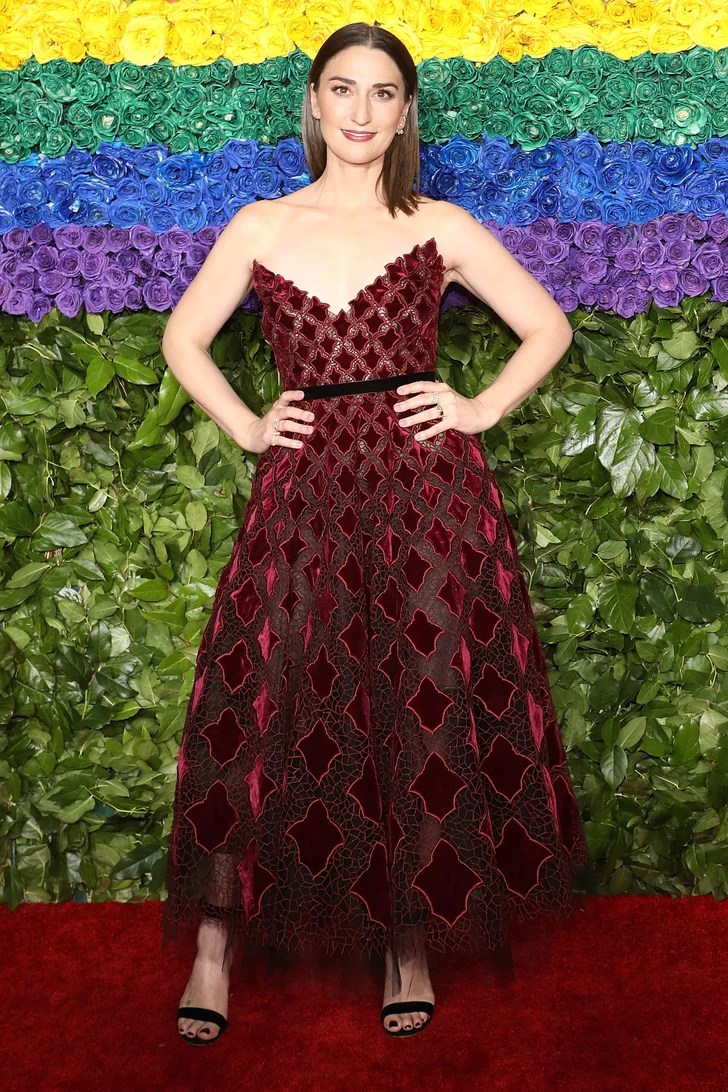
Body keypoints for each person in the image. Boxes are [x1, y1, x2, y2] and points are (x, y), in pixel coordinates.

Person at [161, 21, 591, 1044]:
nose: (359, 111)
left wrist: (478, 408)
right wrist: (250, 423)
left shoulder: (437, 223)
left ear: (406, 112)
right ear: (311, 104)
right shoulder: (261, 225)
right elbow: (183, 336)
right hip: (302, 490)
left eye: (382, 93)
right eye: (341, 89)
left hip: (426, 495)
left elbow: (547, 325)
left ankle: (409, 937)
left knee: (418, 692)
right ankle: (212, 950)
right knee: (260, 698)